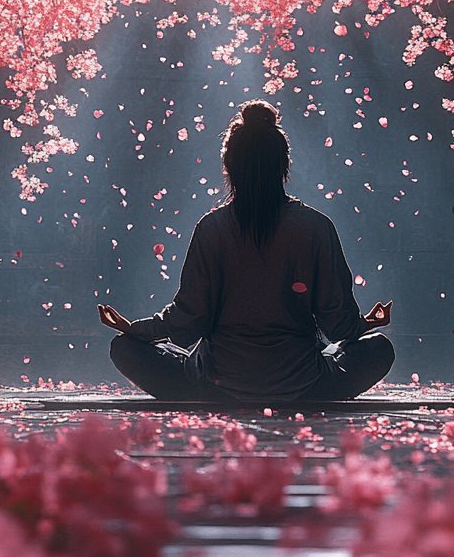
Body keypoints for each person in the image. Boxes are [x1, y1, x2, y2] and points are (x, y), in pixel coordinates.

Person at [97, 100, 395, 402]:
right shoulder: (316, 227)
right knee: (379, 348)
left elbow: (188, 320)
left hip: (217, 384)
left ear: (229, 166)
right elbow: (339, 324)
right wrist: (368, 323)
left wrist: (134, 330)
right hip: (301, 384)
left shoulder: (212, 228)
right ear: (284, 165)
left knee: (124, 348)